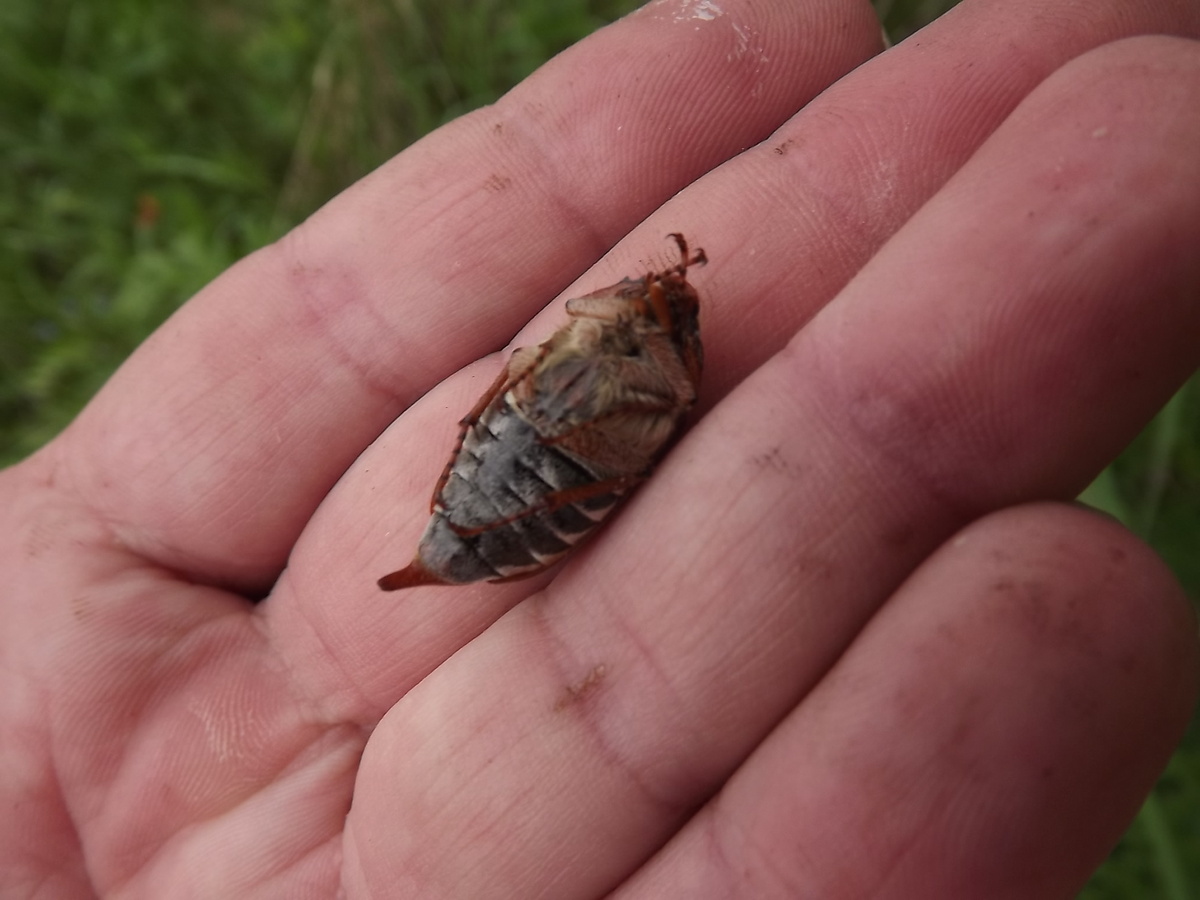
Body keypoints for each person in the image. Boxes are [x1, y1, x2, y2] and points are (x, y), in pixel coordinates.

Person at [3, 0, 1198, 895]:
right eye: (662, 301)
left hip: (533, 465)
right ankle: (453, 542)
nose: (668, 300)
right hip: (522, 478)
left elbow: (593, 387)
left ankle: (458, 537)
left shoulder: (632, 352)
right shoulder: (631, 351)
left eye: (666, 305)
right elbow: (580, 386)